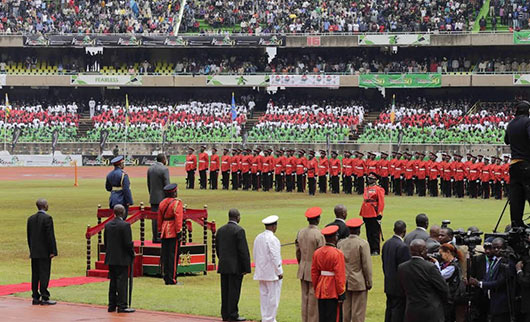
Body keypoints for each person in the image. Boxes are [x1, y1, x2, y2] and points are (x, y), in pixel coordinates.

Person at [398, 239, 449, 322]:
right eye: (425, 249)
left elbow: (401, 288)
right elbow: (443, 288)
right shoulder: (430, 267)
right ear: (422, 252)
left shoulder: (402, 267)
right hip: (430, 311)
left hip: (412, 310)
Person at [469, 237, 516, 322]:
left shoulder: (507, 262)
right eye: (494, 248)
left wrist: (480, 283)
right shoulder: (495, 260)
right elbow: (489, 277)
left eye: (499, 247)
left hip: (502, 304)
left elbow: (499, 282)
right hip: (493, 302)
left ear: (504, 248)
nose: (496, 250)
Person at [216, 209, 251, 322]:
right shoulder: (239, 231)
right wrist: (246, 268)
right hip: (236, 267)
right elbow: (243, 251)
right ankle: (233, 314)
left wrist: (222, 260)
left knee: (225, 291)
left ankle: (225, 314)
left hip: (224, 265)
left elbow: (217, 248)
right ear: (237, 217)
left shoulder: (220, 230)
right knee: (234, 291)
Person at [337, 218, 372, 322]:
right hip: (359, 281)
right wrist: (369, 281)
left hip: (344, 280)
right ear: (359, 230)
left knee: (346, 311)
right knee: (358, 312)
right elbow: (366, 265)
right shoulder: (363, 244)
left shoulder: (341, 243)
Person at [296, 207, 325, 322]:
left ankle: (305, 319)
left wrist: (301, 263)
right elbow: (321, 255)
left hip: (303, 268)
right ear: (317, 219)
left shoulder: (301, 232)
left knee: (305, 297)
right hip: (315, 270)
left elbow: (298, 252)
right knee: (313, 299)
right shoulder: (319, 234)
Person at [104, 204, 135, 313]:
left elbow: (106, 242)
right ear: (123, 213)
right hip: (122, 258)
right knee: (122, 282)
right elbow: (128, 243)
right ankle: (122, 305)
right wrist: (132, 253)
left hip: (111, 258)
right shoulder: (125, 226)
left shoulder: (107, 225)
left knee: (113, 282)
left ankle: (111, 305)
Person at [311, 225, 346, 322]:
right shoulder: (337, 253)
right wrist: (341, 293)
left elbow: (314, 273)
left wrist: (316, 287)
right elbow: (340, 275)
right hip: (333, 289)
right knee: (334, 317)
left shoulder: (317, 252)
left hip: (321, 287)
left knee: (322, 316)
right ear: (334, 237)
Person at [504, 100, 530, 228]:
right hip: (526, 163)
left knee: (516, 197)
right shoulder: (528, 122)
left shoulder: (510, 124)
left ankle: (516, 224)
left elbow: (506, 141)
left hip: (514, 164)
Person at [27, 199, 57, 306]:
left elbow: (29, 237)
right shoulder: (47, 218)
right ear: (44, 206)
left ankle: (35, 296)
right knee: (44, 274)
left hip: (34, 251)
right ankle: (45, 296)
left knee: (35, 275)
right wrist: (52, 251)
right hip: (44, 252)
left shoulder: (30, 219)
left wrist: (31, 249)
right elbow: (50, 236)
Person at [253, 215, 283, 322]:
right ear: (274, 226)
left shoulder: (258, 237)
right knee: (273, 298)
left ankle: (265, 318)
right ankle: (270, 319)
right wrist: (279, 271)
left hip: (261, 272)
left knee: (264, 297)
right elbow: (275, 256)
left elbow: (255, 254)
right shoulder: (273, 239)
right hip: (272, 273)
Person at [382, 220, 410, 322]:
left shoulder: (386, 244)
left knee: (389, 309)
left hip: (388, 282)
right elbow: (405, 269)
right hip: (399, 286)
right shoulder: (403, 247)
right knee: (398, 312)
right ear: (404, 231)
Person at [157, 184, 183, 285]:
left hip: (164, 230)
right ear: (174, 192)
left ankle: (166, 276)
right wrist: (179, 231)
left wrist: (160, 230)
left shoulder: (162, 203)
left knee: (165, 255)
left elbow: (159, 219)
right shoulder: (177, 203)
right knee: (173, 256)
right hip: (172, 230)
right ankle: (172, 278)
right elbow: (178, 218)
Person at [434, 243, 465, 322]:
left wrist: (436, 263)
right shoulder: (447, 263)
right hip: (449, 295)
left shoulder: (453, 266)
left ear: (448, 252)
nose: (440, 256)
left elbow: (439, 276)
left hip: (451, 296)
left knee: (448, 317)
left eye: (441, 253)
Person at [359, 172, 385, 255]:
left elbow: (381, 202)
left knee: (375, 232)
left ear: (375, 180)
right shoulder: (366, 188)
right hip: (366, 212)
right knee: (368, 232)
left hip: (373, 212)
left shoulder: (378, 189)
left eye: (370, 179)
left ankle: (376, 249)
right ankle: (370, 248)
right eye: (368, 178)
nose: (368, 180)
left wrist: (380, 213)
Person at [469, 238, 494, 322]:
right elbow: (472, 276)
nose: (487, 251)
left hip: (494, 292)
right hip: (480, 294)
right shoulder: (478, 259)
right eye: (485, 248)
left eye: (490, 248)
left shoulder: (499, 260)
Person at [147, 153, 170, 243]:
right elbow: (167, 185)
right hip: (163, 198)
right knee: (163, 218)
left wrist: (152, 194)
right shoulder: (164, 169)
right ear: (163, 160)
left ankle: (155, 237)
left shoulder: (150, 169)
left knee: (154, 218)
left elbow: (148, 184)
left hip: (153, 197)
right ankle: (161, 236)